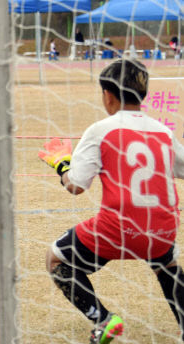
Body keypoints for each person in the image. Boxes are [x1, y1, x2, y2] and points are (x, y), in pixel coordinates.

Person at [39, 59, 184, 343]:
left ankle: (103, 320)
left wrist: (61, 164)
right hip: (161, 231)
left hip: (116, 229)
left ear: (108, 95)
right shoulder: (163, 132)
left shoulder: (100, 129)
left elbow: (76, 186)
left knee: (55, 259)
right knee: (166, 262)